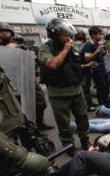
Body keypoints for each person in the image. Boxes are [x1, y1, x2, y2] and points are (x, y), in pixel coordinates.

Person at [38, 18, 91, 149]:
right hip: (59, 93)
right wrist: (66, 50)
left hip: (76, 90)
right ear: (54, 35)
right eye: (65, 35)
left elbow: (78, 63)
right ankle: (68, 145)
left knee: (83, 118)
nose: (69, 38)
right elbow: (52, 64)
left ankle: (85, 139)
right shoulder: (45, 48)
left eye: (70, 35)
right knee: (64, 123)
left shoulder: (72, 46)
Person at [0, 22, 54, 130]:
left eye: (6, 31)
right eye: (1, 31)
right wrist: (5, 50)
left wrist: (18, 48)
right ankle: (27, 128)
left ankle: (39, 122)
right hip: (9, 81)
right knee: (19, 107)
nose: (4, 34)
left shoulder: (17, 44)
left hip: (25, 77)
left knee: (40, 101)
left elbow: (28, 55)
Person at [83, 26, 110, 105]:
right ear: (93, 35)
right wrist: (97, 51)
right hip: (96, 70)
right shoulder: (88, 45)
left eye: (101, 34)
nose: (101, 36)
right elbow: (87, 58)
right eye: (99, 34)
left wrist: (104, 52)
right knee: (101, 88)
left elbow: (99, 55)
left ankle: (106, 103)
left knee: (106, 86)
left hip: (103, 69)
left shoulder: (97, 43)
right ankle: (102, 106)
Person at [75, 28, 96, 112]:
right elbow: (81, 60)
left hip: (83, 68)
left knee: (87, 87)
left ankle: (90, 103)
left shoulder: (75, 44)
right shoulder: (82, 45)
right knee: (85, 88)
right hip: (83, 69)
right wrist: (87, 64)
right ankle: (88, 105)